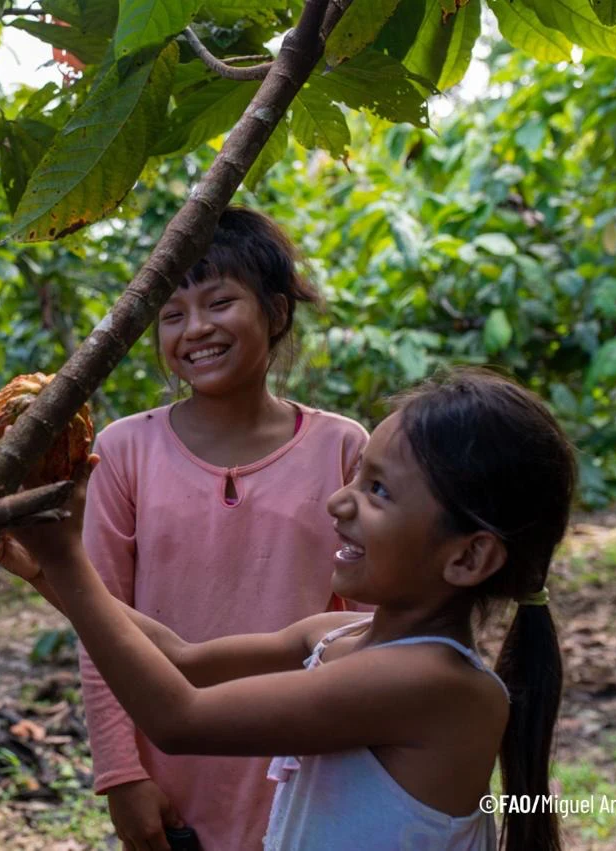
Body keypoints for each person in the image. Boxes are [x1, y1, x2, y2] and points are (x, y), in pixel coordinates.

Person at [5, 368, 572, 851]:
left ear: (469, 557)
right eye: (358, 476)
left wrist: (67, 559)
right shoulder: (340, 634)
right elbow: (181, 657)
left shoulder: (435, 684)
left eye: (379, 490)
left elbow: (180, 718)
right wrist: (40, 569)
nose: (339, 500)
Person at [78, 208, 368, 850]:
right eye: (172, 313)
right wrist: (121, 774)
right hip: (173, 769)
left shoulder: (343, 447)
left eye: (219, 302)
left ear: (275, 311)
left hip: (309, 764)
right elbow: (101, 623)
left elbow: (374, 623)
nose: (195, 329)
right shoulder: (124, 451)